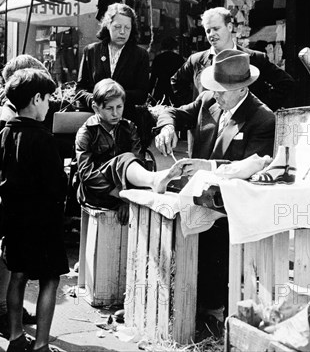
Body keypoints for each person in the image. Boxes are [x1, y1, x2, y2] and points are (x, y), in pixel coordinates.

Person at [156, 49, 275, 336]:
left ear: (243, 88)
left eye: (224, 91)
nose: (217, 96)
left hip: (229, 208)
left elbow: (249, 166)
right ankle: (181, 304)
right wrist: (168, 127)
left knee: (213, 251)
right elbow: (171, 111)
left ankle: (211, 312)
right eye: (215, 89)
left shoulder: (262, 119)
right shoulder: (208, 99)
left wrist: (207, 165)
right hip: (196, 199)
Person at [0, 69, 68, 352]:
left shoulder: (4, 133)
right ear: (36, 99)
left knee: (18, 274)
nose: (49, 105)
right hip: (43, 219)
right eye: (48, 99)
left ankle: (15, 337)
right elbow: (55, 186)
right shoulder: (45, 139)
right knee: (50, 278)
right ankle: (42, 344)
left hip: (12, 215)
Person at [0, 55, 48, 340]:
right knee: (7, 256)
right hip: (11, 198)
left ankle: (9, 309)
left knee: (13, 257)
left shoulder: (16, 114)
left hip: (12, 197)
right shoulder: (8, 119)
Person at [75, 79, 182, 224]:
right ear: (96, 108)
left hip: (125, 188)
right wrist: (121, 195)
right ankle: (153, 179)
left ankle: (153, 181)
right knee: (124, 158)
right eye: (109, 108)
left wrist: (126, 199)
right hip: (98, 191)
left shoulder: (129, 127)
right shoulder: (87, 132)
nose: (115, 113)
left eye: (119, 107)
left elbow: (138, 161)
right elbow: (87, 175)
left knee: (131, 159)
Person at [171, 7, 295, 111]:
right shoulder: (196, 60)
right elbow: (176, 81)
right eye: (208, 31)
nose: (211, 34)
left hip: (244, 130)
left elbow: (285, 83)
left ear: (229, 27)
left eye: (216, 28)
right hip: (205, 133)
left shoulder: (255, 58)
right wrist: (195, 108)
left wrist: (260, 108)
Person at [75, 3, 149, 124]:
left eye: (127, 28)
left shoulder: (140, 55)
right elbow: (79, 89)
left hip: (126, 123)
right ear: (108, 25)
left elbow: (142, 94)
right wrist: (95, 100)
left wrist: (114, 98)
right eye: (117, 27)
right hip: (95, 122)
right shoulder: (92, 51)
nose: (122, 32)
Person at [149, 36, 185, 105]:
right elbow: (183, 78)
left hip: (160, 89)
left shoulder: (158, 58)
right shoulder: (179, 59)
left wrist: (149, 93)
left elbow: (153, 78)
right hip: (174, 90)